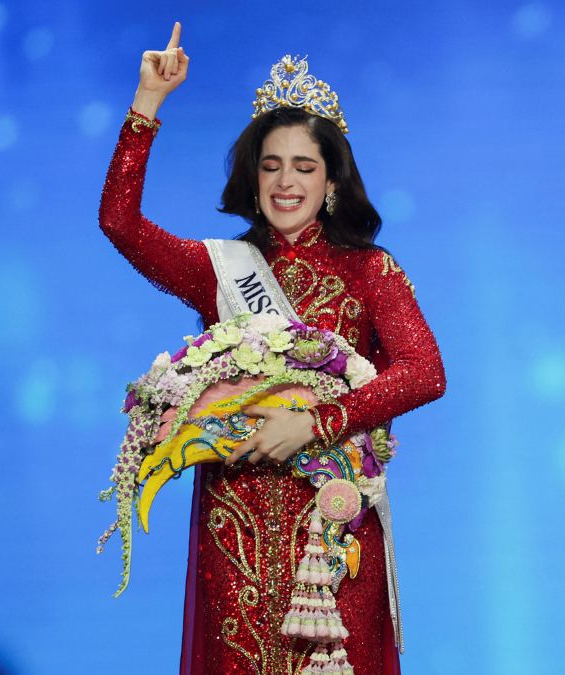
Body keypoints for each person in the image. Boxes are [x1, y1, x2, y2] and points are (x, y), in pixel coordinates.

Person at [98, 22, 446, 675]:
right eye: (271, 165)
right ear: (253, 179)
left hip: (332, 528)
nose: (286, 181)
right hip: (235, 524)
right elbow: (119, 222)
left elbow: (426, 372)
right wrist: (147, 101)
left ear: (332, 182)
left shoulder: (370, 271)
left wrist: (315, 423)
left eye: (304, 167)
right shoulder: (220, 269)